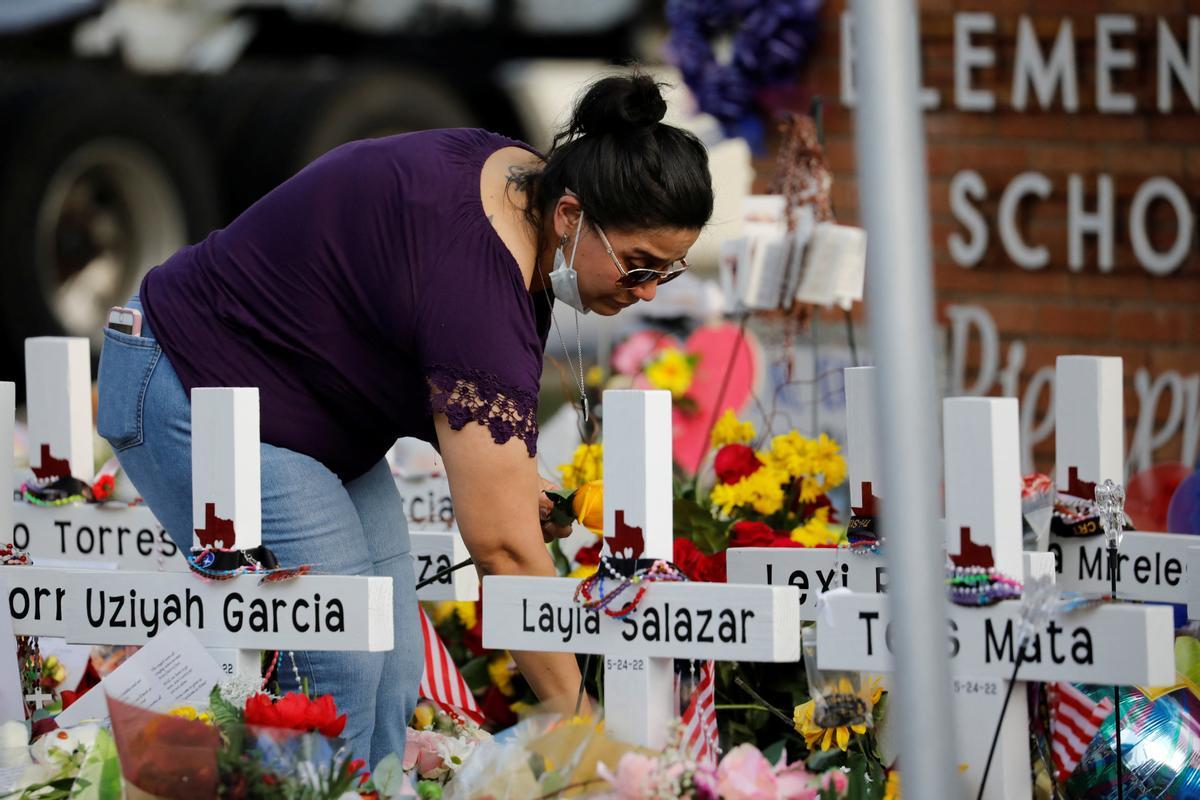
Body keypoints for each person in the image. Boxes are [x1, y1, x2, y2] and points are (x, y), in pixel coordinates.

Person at [95, 73, 713, 766]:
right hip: (190, 379)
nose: (650, 291)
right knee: (341, 660)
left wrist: (510, 476)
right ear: (570, 216)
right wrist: (586, 738)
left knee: (392, 661)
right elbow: (504, 549)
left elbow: (413, 327)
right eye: (638, 266)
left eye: (670, 270)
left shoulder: (519, 180)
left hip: (296, 401)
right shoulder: (482, 288)